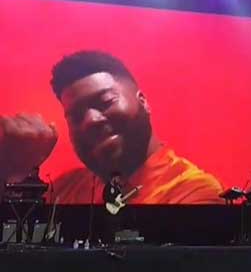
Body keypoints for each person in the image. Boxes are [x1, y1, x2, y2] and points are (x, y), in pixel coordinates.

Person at [0, 51, 224, 204]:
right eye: (76, 116)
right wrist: (14, 172)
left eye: (105, 102)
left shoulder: (193, 192)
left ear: (143, 102)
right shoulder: (64, 190)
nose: (90, 121)